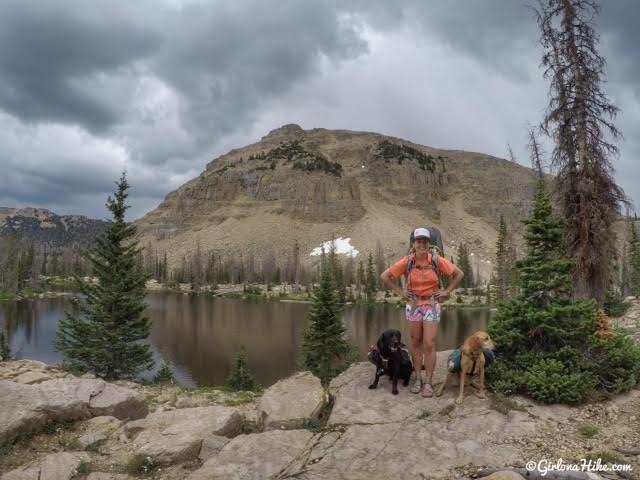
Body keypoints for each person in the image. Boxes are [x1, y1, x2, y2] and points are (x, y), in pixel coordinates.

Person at [380, 228, 464, 397]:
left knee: (429, 343)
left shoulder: (436, 260)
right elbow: (385, 276)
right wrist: (401, 293)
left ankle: (429, 381)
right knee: (416, 342)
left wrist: (446, 291)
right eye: (419, 241)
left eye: (425, 241)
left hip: (432, 304)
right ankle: (418, 378)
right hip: (413, 304)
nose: (422, 244)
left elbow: (458, 274)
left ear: (429, 243)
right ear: (414, 243)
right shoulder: (407, 261)